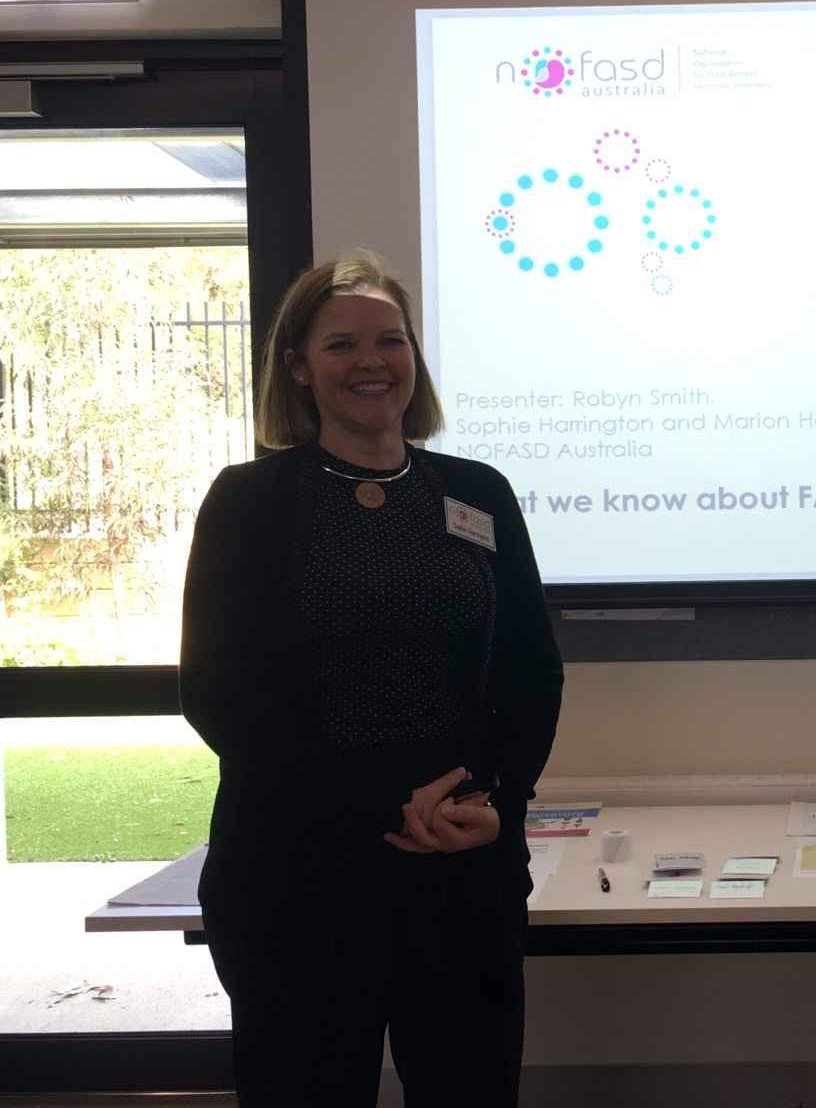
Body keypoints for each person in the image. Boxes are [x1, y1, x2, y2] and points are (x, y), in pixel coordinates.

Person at [180, 253, 564, 1105]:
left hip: (462, 866)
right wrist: (385, 805)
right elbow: (220, 694)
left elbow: (532, 671)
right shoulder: (248, 502)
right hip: (299, 875)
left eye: (391, 341)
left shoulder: (477, 493)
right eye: (342, 343)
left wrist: (495, 795)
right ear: (297, 366)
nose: (371, 362)